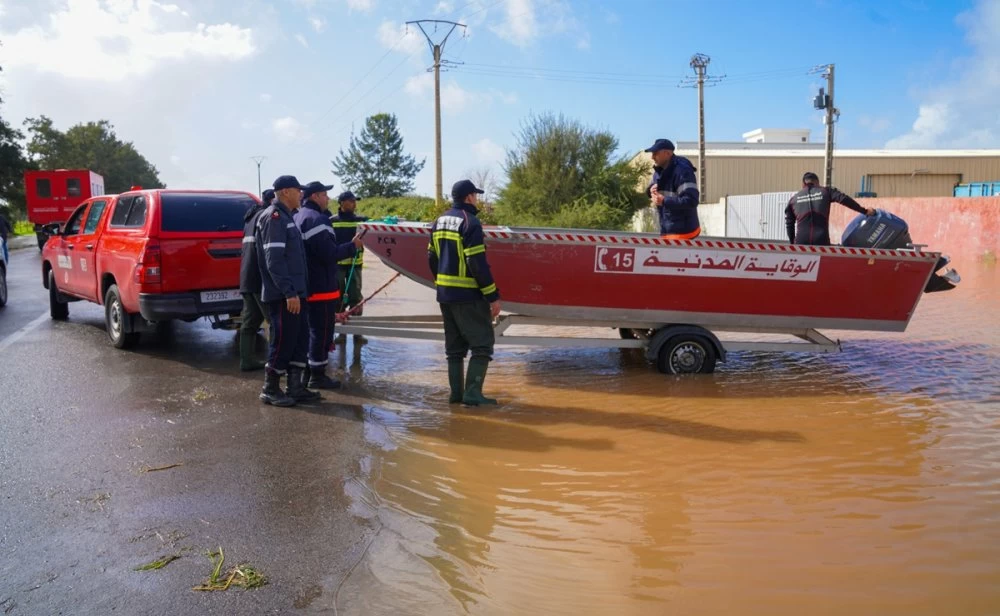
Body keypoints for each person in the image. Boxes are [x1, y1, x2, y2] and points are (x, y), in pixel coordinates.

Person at [428, 179, 501, 407]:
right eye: (475, 195)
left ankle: (456, 396)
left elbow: (431, 258)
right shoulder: (471, 222)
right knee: (482, 345)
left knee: (455, 350)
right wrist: (492, 296)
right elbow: (476, 263)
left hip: (445, 296)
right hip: (469, 296)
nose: (477, 199)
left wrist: (441, 284)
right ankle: (473, 394)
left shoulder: (438, 221)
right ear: (468, 197)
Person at [255, 175, 321, 407]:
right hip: (284, 296)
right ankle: (270, 388)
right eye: (297, 190)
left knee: (299, 339)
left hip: (296, 293)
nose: (301, 194)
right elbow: (275, 261)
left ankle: (295, 387)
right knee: (283, 340)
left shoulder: (287, 217)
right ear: (284, 192)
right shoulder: (274, 218)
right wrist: (289, 292)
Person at [294, 181, 362, 390]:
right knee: (321, 331)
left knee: (308, 330)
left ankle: (307, 373)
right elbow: (329, 254)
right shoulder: (319, 220)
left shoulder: (298, 216)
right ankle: (317, 375)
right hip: (321, 286)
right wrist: (353, 246)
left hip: (305, 286)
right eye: (325, 195)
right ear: (315, 196)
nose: (328, 199)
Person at [785, 172, 876, 246]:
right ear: (817, 182)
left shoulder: (793, 199)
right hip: (821, 240)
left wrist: (793, 245)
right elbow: (844, 199)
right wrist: (865, 211)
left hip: (801, 241)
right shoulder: (826, 191)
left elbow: (789, 224)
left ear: (803, 184)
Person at [238, 189, 274, 371]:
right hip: (261, 281)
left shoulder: (251, 218)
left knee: (250, 322)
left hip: (247, 278)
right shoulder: (267, 217)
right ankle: (277, 364)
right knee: (275, 321)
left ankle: (246, 360)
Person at [644, 138, 701, 239]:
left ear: (667, 153)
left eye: (655, 153)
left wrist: (664, 200)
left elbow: (691, 200)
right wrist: (650, 190)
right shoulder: (659, 170)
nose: (652, 157)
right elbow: (653, 186)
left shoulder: (683, 171)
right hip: (667, 232)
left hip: (684, 235)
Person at [331, 191, 369, 323]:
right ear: (342, 203)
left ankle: (357, 332)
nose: (354, 203)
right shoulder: (332, 221)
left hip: (355, 265)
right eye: (351, 201)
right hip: (338, 265)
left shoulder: (362, 221)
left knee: (356, 297)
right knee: (337, 297)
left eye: (355, 201)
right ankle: (340, 332)